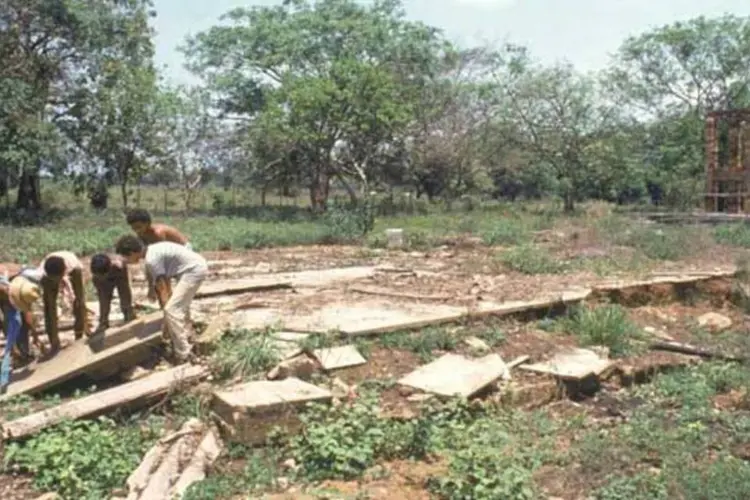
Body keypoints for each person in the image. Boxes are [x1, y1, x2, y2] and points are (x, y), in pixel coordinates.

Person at [115, 235, 207, 362]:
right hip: (193, 267)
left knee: (171, 310)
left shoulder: (152, 260)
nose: (127, 261)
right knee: (179, 308)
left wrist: (166, 316)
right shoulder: (152, 251)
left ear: (132, 253)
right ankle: (189, 338)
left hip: (193, 271)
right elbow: (160, 284)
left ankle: (184, 353)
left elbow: (163, 288)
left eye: (126, 258)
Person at [25, 251, 90, 351]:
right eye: (54, 279)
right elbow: (50, 308)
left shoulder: (74, 267)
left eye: (58, 279)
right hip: (50, 275)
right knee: (49, 307)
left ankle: (79, 332)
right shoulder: (43, 274)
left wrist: (73, 295)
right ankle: (54, 341)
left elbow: (77, 297)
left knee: (79, 300)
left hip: (72, 268)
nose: (57, 282)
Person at [0, 274, 41, 393]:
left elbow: (28, 315)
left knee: (18, 322)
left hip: (6, 298)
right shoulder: (3, 293)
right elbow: (3, 323)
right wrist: (12, 348)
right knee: (10, 323)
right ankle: (18, 354)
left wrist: (36, 336)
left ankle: (23, 353)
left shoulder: (22, 290)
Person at [89, 253, 137, 335]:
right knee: (104, 298)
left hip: (118, 275)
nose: (101, 277)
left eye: (103, 275)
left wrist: (127, 308)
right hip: (104, 281)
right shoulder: (96, 275)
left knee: (124, 294)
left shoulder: (119, 266)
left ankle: (128, 314)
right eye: (98, 275)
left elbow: (124, 291)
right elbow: (103, 299)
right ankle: (103, 322)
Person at [125, 208, 192, 249]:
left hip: (183, 248)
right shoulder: (142, 232)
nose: (137, 230)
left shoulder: (158, 233)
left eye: (138, 227)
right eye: (133, 228)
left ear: (147, 223)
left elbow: (162, 251)